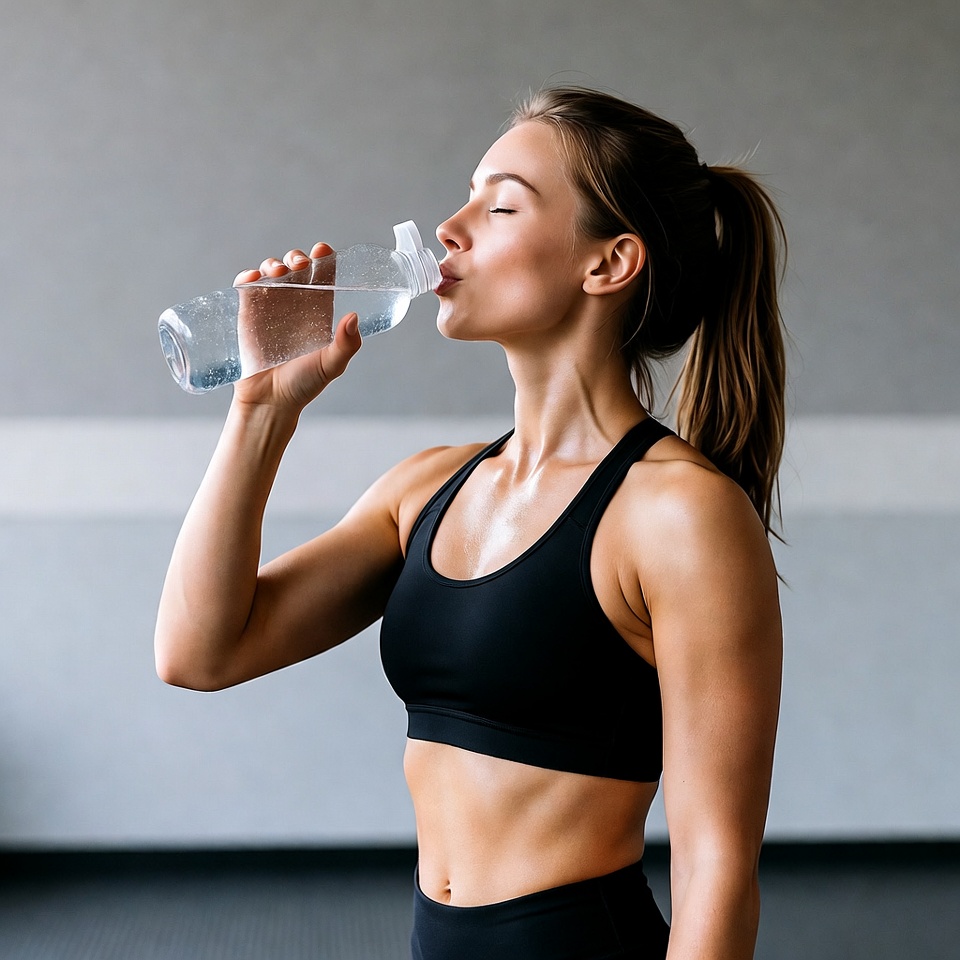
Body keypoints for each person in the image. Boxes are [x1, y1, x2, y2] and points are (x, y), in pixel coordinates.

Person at [155, 85, 786, 960]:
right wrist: (261, 410)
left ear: (607, 264)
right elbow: (198, 653)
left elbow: (718, 865)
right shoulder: (427, 488)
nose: (448, 229)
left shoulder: (680, 514)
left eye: (499, 205)